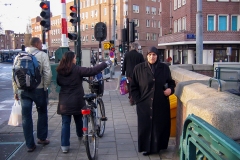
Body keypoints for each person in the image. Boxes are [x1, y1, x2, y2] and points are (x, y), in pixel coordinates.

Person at [56, 51, 112, 153]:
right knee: (78, 119)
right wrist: (105, 63)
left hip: (64, 101)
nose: (75, 59)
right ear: (71, 59)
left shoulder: (60, 71)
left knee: (65, 123)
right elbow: (92, 70)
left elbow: (59, 82)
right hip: (77, 100)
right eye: (74, 57)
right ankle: (81, 136)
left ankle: (64, 146)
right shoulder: (77, 69)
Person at [131, 46, 176, 156]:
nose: (152, 57)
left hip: (160, 102)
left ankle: (158, 146)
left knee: (159, 126)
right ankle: (146, 148)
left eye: (154, 55)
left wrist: (170, 90)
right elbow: (133, 87)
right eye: (150, 55)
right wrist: (138, 100)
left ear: (157, 56)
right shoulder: (139, 68)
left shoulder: (164, 68)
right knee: (145, 126)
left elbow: (171, 82)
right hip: (144, 104)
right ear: (147, 56)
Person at [12, 37, 52, 152]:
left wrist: (15, 91)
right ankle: (42, 138)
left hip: (23, 90)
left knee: (26, 117)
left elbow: (14, 74)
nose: (41, 45)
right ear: (37, 44)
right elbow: (47, 73)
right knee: (42, 112)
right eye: (40, 43)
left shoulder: (18, 56)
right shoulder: (42, 55)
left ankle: (30, 145)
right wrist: (45, 87)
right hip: (38, 89)